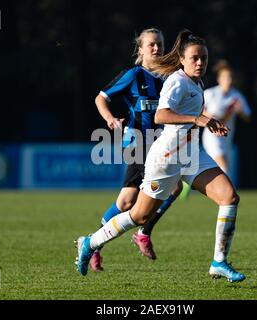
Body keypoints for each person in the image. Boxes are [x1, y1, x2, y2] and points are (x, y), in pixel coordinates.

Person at [75, 29, 246, 283]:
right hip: (166, 157)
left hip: (192, 154)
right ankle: (91, 241)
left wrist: (209, 121)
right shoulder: (176, 81)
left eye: (204, 58)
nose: (200, 63)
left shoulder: (196, 82)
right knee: (137, 214)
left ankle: (218, 262)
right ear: (182, 60)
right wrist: (198, 119)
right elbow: (161, 116)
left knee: (229, 197)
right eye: (195, 58)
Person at [90, 28, 183, 272]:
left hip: (162, 142)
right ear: (140, 49)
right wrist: (110, 119)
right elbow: (101, 98)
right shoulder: (133, 75)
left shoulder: (170, 77)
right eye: (151, 44)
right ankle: (95, 244)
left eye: (160, 44)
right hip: (138, 141)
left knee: (169, 189)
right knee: (129, 200)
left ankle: (137, 234)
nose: (157, 49)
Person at [202, 60, 251, 174]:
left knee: (217, 169)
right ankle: (225, 191)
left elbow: (248, 116)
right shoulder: (210, 93)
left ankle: (189, 183)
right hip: (212, 136)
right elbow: (199, 110)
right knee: (224, 168)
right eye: (226, 77)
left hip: (227, 138)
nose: (229, 80)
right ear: (219, 79)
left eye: (231, 77)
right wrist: (211, 117)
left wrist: (239, 111)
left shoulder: (236, 95)